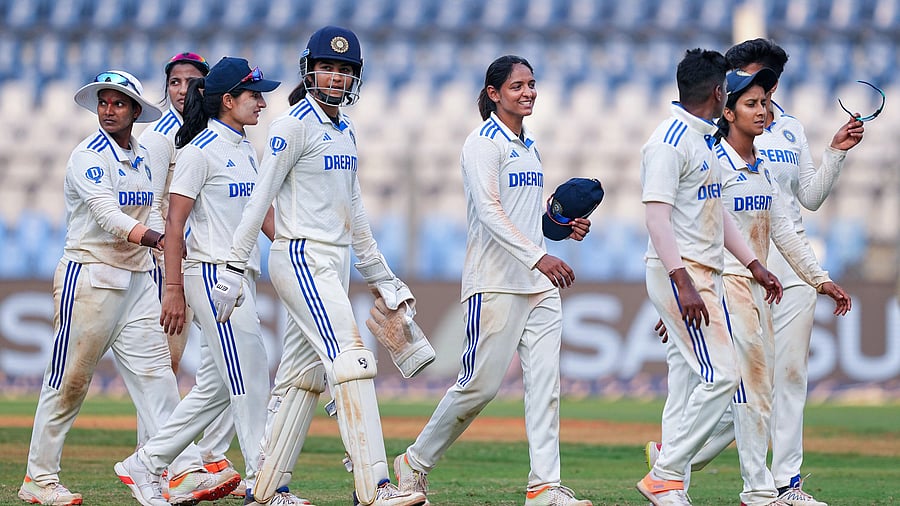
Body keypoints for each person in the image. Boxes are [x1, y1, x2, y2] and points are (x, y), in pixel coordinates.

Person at [210, 26, 427, 506]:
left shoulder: (345, 131)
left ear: (355, 78)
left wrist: (383, 277)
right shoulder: (292, 125)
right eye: (326, 67)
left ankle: (265, 490)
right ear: (309, 71)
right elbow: (258, 200)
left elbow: (356, 215)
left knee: (301, 378)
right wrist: (232, 268)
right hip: (301, 256)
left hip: (335, 260)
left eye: (344, 70)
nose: (334, 77)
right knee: (352, 360)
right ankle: (376, 487)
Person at [392, 54, 594, 506]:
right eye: (517, 86)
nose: (528, 92)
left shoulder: (529, 147)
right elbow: (489, 212)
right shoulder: (483, 143)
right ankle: (415, 461)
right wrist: (540, 256)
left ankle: (544, 486)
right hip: (496, 282)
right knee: (478, 387)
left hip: (538, 287)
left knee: (546, 388)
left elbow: (526, 219)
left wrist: (560, 229)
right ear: (493, 93)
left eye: (531, 84)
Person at [17, 70, 223, 506]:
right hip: (90, 279)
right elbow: (108, 216)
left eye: (118, 103)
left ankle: (183, 470)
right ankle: (39, 478)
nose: (108, 111)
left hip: (137, 281)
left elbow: (153, 210)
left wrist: (162, 248)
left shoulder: (145, 156)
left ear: (134, 111)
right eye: (103, 103)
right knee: (69, 382)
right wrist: (159, 240)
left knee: (158, 379)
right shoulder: (87, 156)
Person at [112, 57, 284, 506]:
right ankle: (264, 486)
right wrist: (173, 290)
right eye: (254, 95)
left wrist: (296, 250)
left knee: (215, 389)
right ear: (227, 100)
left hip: (239, 275)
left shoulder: (244, 148)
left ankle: (145, 463)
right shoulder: (197, 151)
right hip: (210, 274)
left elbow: (261, 215)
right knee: (250, 379)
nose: (262, 103)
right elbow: (174, 225)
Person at [637, 49, 783, 506]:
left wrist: (754, 264)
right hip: (683, 273)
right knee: (723, 376)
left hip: (705, 273)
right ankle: (665, 474)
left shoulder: (703, 140)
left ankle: (672, 485)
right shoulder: (669, 141)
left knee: (686, 384)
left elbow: (716, 214)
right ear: (720, 93)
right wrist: (681, 283)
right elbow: (656, 219)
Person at [726, 39, 865, 506]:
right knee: (740, 380)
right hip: (743, 264)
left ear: (772, 81)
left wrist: (836, 153)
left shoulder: (789, 129)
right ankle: (679, 458)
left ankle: (786, 484)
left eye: (752, 75)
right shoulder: (722, 128)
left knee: (789, 376)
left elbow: (809, 198)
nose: (742, 83)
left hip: (793, 265)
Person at [138, 50, 248, 498]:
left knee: (225, 365)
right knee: (167, 364)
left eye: (192, 82)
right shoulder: (160, 137)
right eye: (175, 82)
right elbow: (157, 209)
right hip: (174, 264)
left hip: (208, 262)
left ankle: (206, 456)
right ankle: (161, 465)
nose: (183, 90)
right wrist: (170, 276)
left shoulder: (215, 134)